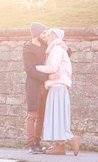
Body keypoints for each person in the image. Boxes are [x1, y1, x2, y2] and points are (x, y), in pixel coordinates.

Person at [36, 28, 79, 156]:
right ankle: (59, 147)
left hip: (58, 86)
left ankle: (71, 139)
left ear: (54, 36)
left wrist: (34, 67)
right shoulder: (56, 49)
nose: (46, 37)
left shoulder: (57, 49)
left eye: (48, 35)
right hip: (57, 86)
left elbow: (52, 68)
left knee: (58, 116)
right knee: (56, 117)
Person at [22, 22, 49, 154]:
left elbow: (65, 53)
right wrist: (46, 77)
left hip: (45, 86)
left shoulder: (46, 45)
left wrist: (64, 46)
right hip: (33, 85)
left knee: (41, 116)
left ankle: (38, 143)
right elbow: (29, 70)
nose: (45, 35)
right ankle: (31, 144)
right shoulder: (27, 48)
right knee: (32, 115)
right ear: (37, 33)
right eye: (43, 32)